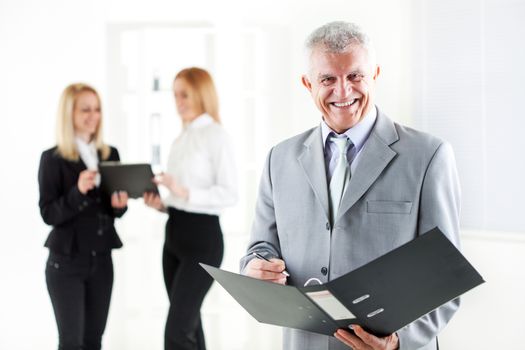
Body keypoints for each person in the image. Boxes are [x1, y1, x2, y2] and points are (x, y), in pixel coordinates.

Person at [240, 21, 461, 350]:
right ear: (307, 83)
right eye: (327, 79)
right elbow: (260, 248)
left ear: (375, 74)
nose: (343, 91)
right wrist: (255, 268)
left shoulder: (428, 156)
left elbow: (447, 275)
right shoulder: (279, 159)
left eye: (355, 76)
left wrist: (399, 341)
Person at [143, 67, 237, 350]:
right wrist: (162, 204)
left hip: (202, 241)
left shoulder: (216, 135)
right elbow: (179, 200)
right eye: (175, 95)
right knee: (189, 324)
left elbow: (230, 194)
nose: (178, 101)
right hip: (174, 235)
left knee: (176, 331)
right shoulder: (180, 138)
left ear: (201, 94)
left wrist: (184, 191)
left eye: (184, 94)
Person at [38, 83, 128, 350]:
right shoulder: (52, 159)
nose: (93, 116)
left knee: (93, 341)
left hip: (101, 260)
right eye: (85, 109)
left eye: (97, 109)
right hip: (66, 263)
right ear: (69, 114)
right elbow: (48, 213)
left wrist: (119, 205)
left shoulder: (109, 154)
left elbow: (113, 211)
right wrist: (77, 191)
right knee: (71, 342)